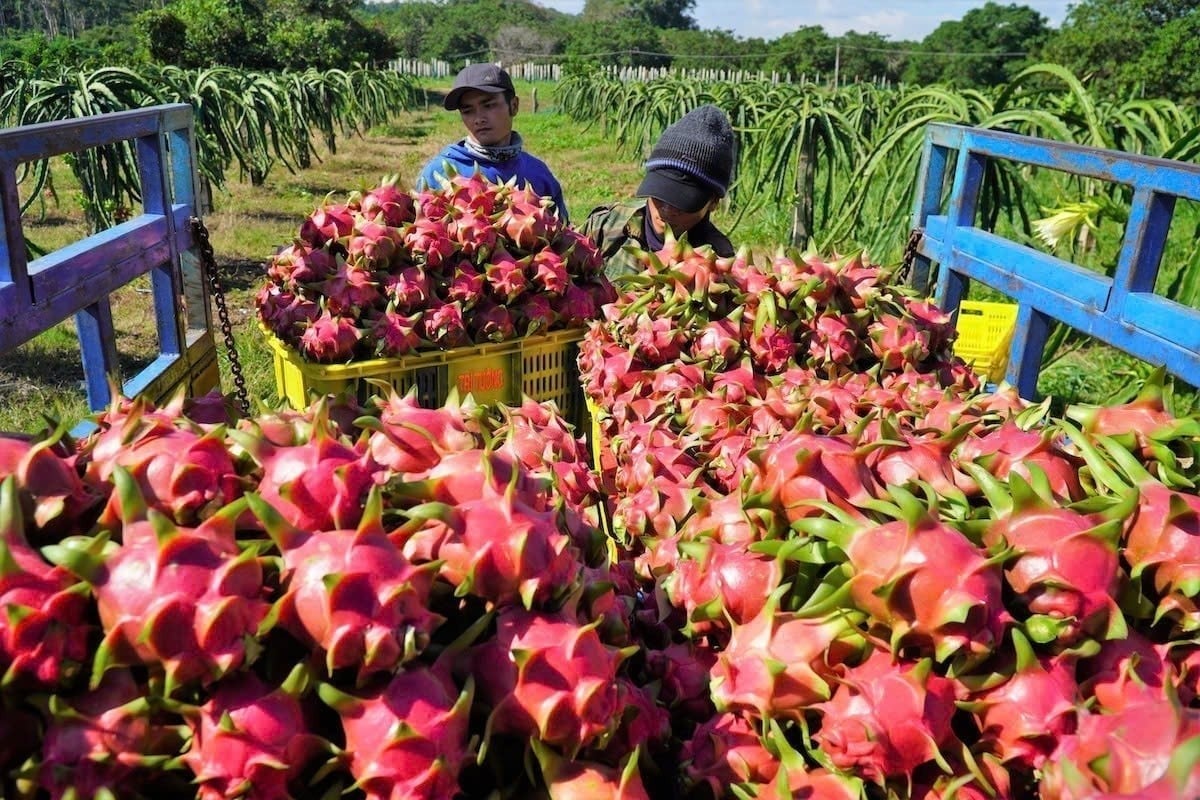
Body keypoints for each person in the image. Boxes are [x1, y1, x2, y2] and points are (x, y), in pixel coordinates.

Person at [580, 104, 736, 279]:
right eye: (661, 193)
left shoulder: (719, 265)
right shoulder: (606, 225)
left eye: (682, 201)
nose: (667, 210)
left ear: (713, 202)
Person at [417, 63, 569, 222]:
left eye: (488, 105)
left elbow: (563, 236)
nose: (478, 118)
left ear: (514, 106)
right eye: (467, 111)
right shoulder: (439, 174)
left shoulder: (538, 173)